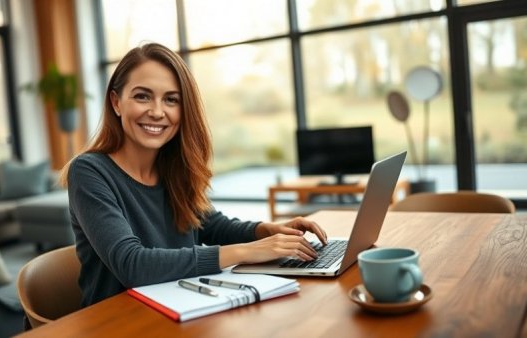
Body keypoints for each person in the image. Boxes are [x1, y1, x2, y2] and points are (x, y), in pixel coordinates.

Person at [60, 42, 328, 307]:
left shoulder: (172, 168)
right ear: (116, 102)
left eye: (171, 100)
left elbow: (211, 226)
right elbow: (132, 265)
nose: (156, 111)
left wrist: (265, 232)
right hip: (118, 321)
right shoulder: (89, 171)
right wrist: (248, 251)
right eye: (142, 96)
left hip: (181, 306)